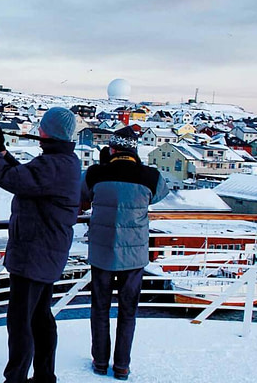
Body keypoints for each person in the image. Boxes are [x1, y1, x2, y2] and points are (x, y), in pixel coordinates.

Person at [0, 107, 81, 383]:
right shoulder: (62, 161)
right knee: (39, 318)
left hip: (34, 253)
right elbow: (26, 177)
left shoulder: (53, 164)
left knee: (21, 322)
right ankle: (45, 376)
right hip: (46, 252)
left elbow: (10, 179)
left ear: (48, 130)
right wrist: (0, 151)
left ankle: (16, 379)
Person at [80, 126, 168, 381]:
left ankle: (99, 361)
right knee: (128, 312)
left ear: (112, 149)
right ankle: (122, 366)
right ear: (135, 149)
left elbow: (83, 195)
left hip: (102, 252)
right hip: (134, 254)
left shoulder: (96, 173)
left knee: (100, 309)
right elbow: (160, 194)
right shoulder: (150, 176)